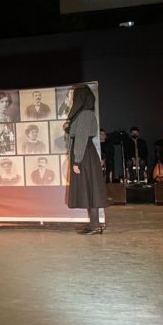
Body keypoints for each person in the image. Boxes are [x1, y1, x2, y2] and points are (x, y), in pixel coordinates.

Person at [67, 85, 108, 235]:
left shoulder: (84, 114)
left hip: (84, 155)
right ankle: (93, 224)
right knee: (90, 190)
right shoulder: (86, 113)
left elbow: (81, 139)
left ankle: (95, 226)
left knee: (90, 190)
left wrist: (77, 161)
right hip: (87, 154)